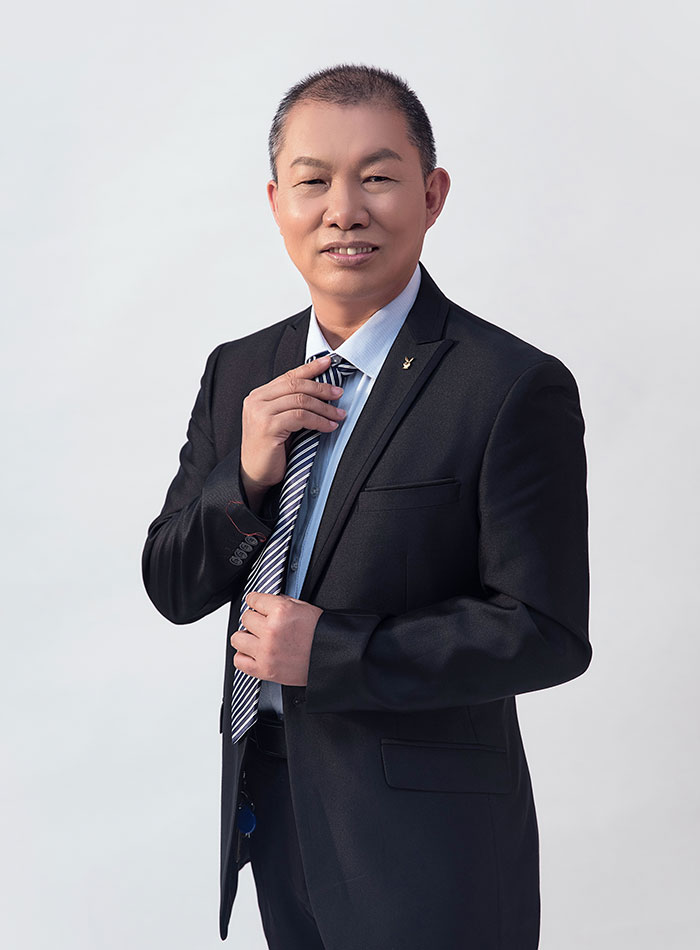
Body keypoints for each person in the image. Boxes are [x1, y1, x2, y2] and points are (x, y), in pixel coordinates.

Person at [142, 63, 592, 950]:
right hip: (274, 814)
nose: (343, 210)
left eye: (377, 177)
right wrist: (245, 477)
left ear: (432, 195)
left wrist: (333, 651)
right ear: (277, 202)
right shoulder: (240, 370)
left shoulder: (509, 385)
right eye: (313, 181)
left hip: (431, 848)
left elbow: (546, 631)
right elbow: (173, 584)